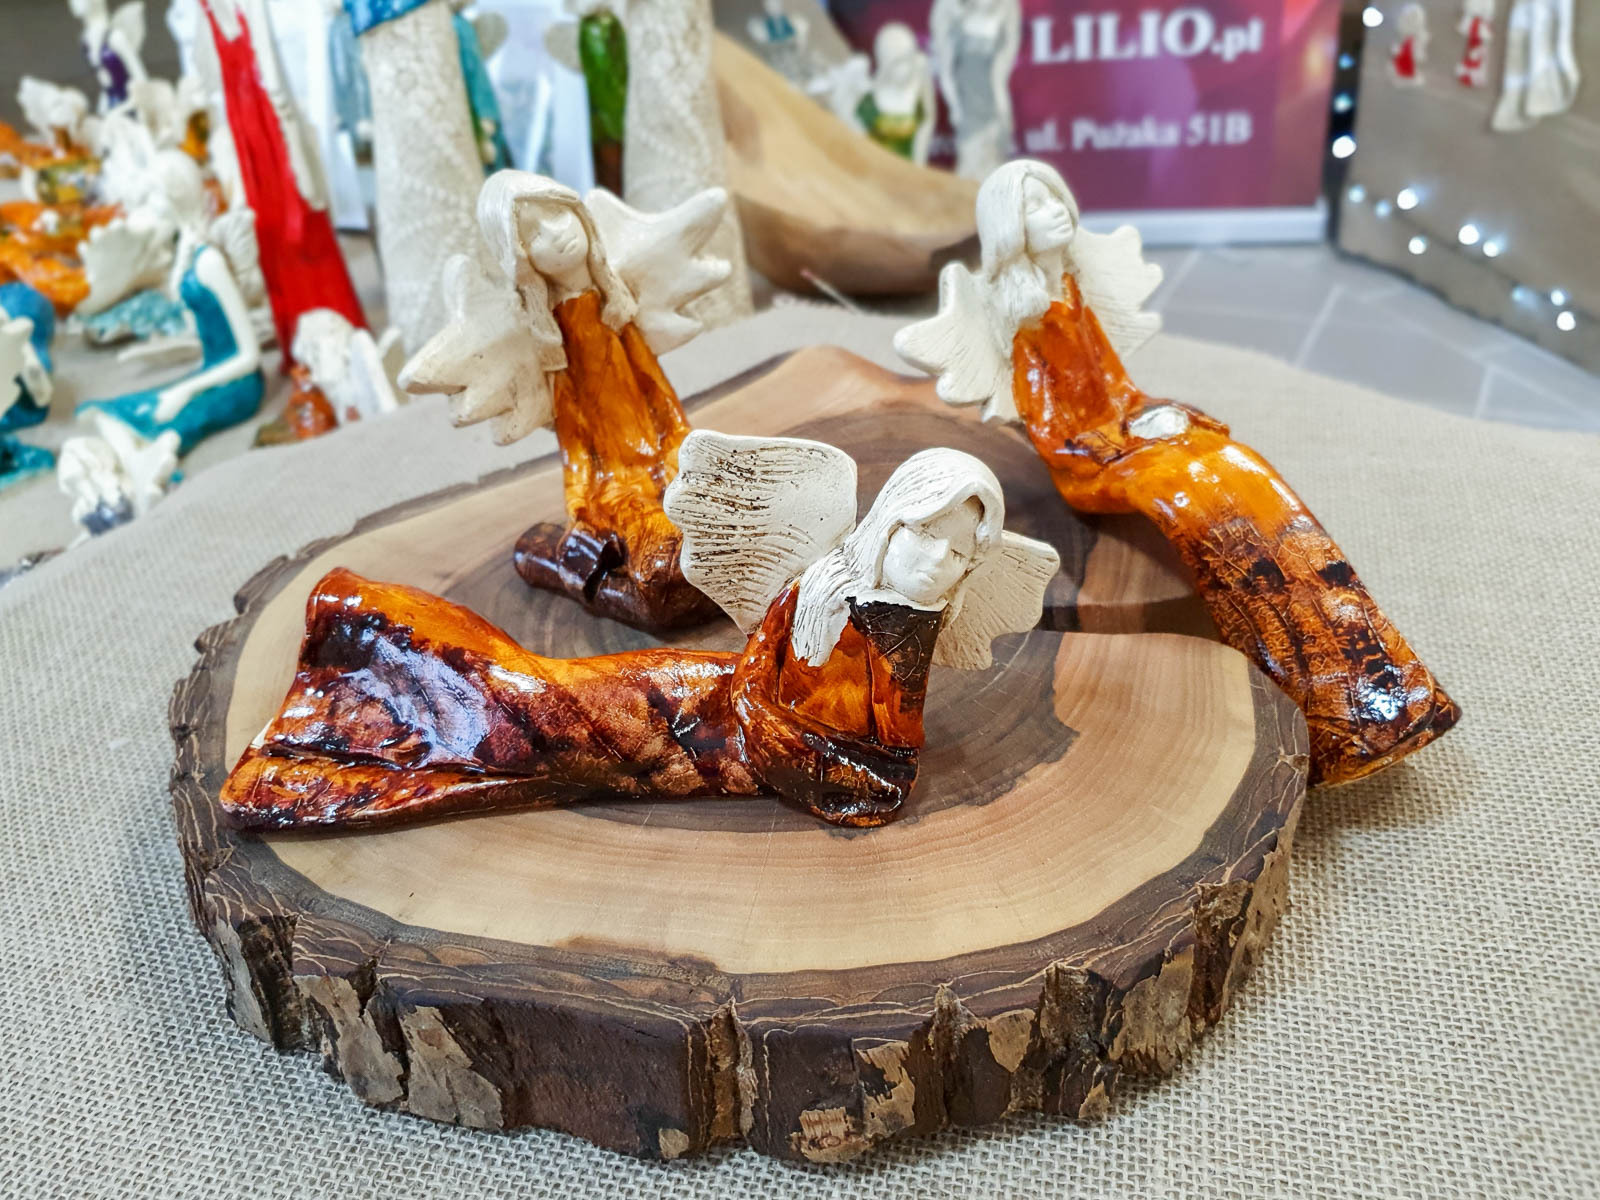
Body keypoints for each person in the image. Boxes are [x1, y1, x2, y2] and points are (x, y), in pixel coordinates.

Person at [896, 160, 1461, 784]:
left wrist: (1154, 416)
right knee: (1188, 494)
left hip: (1125, 429)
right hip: (1090, 460)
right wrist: (1130, 435)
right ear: (1010, 227)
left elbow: (1117, 387)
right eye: (1035, 206)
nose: (1055, 212)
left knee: (1238, 465)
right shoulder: (1024, 313)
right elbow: (1056, 431)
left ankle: (1368, 668)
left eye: (1055, 199)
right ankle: (1315, 705)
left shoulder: (1072, 290)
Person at [219, 435, 1058, 830]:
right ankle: (360, 640)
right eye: (926, 536)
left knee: (530, 750)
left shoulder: (909, 628)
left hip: (709, 752)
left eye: (961, 554)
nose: (939, 563)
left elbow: (889, 752)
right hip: (692, 716)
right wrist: (834, 772)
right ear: (890, 523)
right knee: (525, 705)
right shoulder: (821, 593)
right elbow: (761, 710)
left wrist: (861, 774)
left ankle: (338, 724)